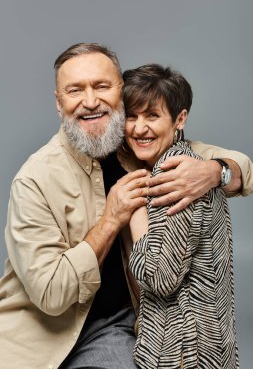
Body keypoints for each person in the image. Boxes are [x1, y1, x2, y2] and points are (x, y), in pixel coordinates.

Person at [0, 43, 252, 369]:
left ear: (120, 92)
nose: (90, 101)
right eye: (75, 90)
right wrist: (111, 219)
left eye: (101, 86)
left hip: (113, 327)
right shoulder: (33, 180)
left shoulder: (135, 144)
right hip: (39, 337)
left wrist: (216, 171)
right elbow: (52, 295)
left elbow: (243, 167)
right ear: (59, 104)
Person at [122, 63, 242, 368]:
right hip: (206, 341)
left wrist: (134, 206)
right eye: (131, 116)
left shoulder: (174, 171)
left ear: (180, 119)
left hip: (180, 348)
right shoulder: (190, 164)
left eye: (152, 115)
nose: (139, 128)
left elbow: (161, 278)